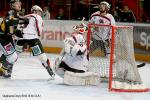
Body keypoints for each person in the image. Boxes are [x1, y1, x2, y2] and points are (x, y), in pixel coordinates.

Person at [54, 19, 100, 85]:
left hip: (72, 68)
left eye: (80, 26)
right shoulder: (84, 39)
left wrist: (70, 46)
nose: (77, 27)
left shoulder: (78, 37)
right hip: (80, 69)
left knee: (58, 63)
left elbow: (77, 51)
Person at [15, 5, 55, 78]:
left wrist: (18, 38)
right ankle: (49, 70)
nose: (40, 14)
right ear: (36, 11)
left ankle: (6, 68)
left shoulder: (25, 16)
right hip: (32, 39)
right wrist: (38, 34)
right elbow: (38, 28)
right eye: (39, 12)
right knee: (42, 57)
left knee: (14, 55)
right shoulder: (37, 16)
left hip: (21, 39)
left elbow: (18, 28)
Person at [0, 0, 28, 78]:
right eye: (17, 3)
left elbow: (11, 28)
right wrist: (22, 20)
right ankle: (2, 70)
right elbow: (10, 21)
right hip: (3, 38)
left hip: (6, 38)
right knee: (13, 57)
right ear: (12, 6)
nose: (19, 4)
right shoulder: (11, 12)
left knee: (10, 56)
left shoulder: (15, 14)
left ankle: (4, 70)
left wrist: (18, 33)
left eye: (20, 3)